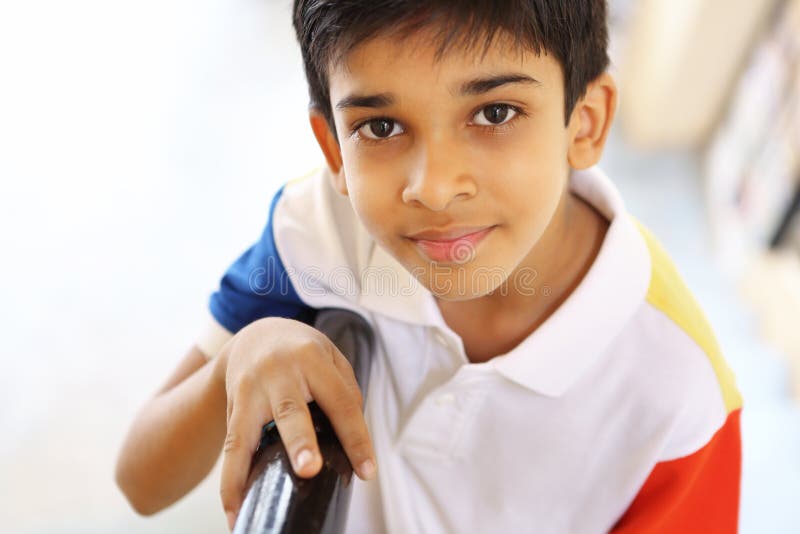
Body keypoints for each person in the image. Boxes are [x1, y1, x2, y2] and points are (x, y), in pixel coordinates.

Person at [115, 1, 743, 532]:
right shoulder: (317, 233)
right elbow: (141, 479)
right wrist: (241, 355)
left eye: (494, 114)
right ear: (334, 147)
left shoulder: (682, 398)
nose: (435, 189)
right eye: (381, 126)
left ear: (585, 121)